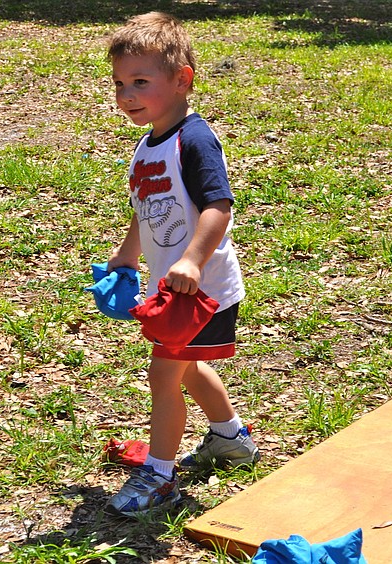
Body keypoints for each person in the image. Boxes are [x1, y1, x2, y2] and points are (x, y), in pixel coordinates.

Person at [104, 12, 259, 517]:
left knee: (164, 373)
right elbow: (146, 205)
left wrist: (192, 261)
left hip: (200, 287)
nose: (127, 94)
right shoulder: (148, 143)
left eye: (141, 82)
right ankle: (231, 438)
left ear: (182, 79)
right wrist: (129, 251)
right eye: (121, 83)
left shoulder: (193, 140)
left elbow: (219, 206)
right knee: (185, 369)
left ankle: (159, 474)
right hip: (170, 287)